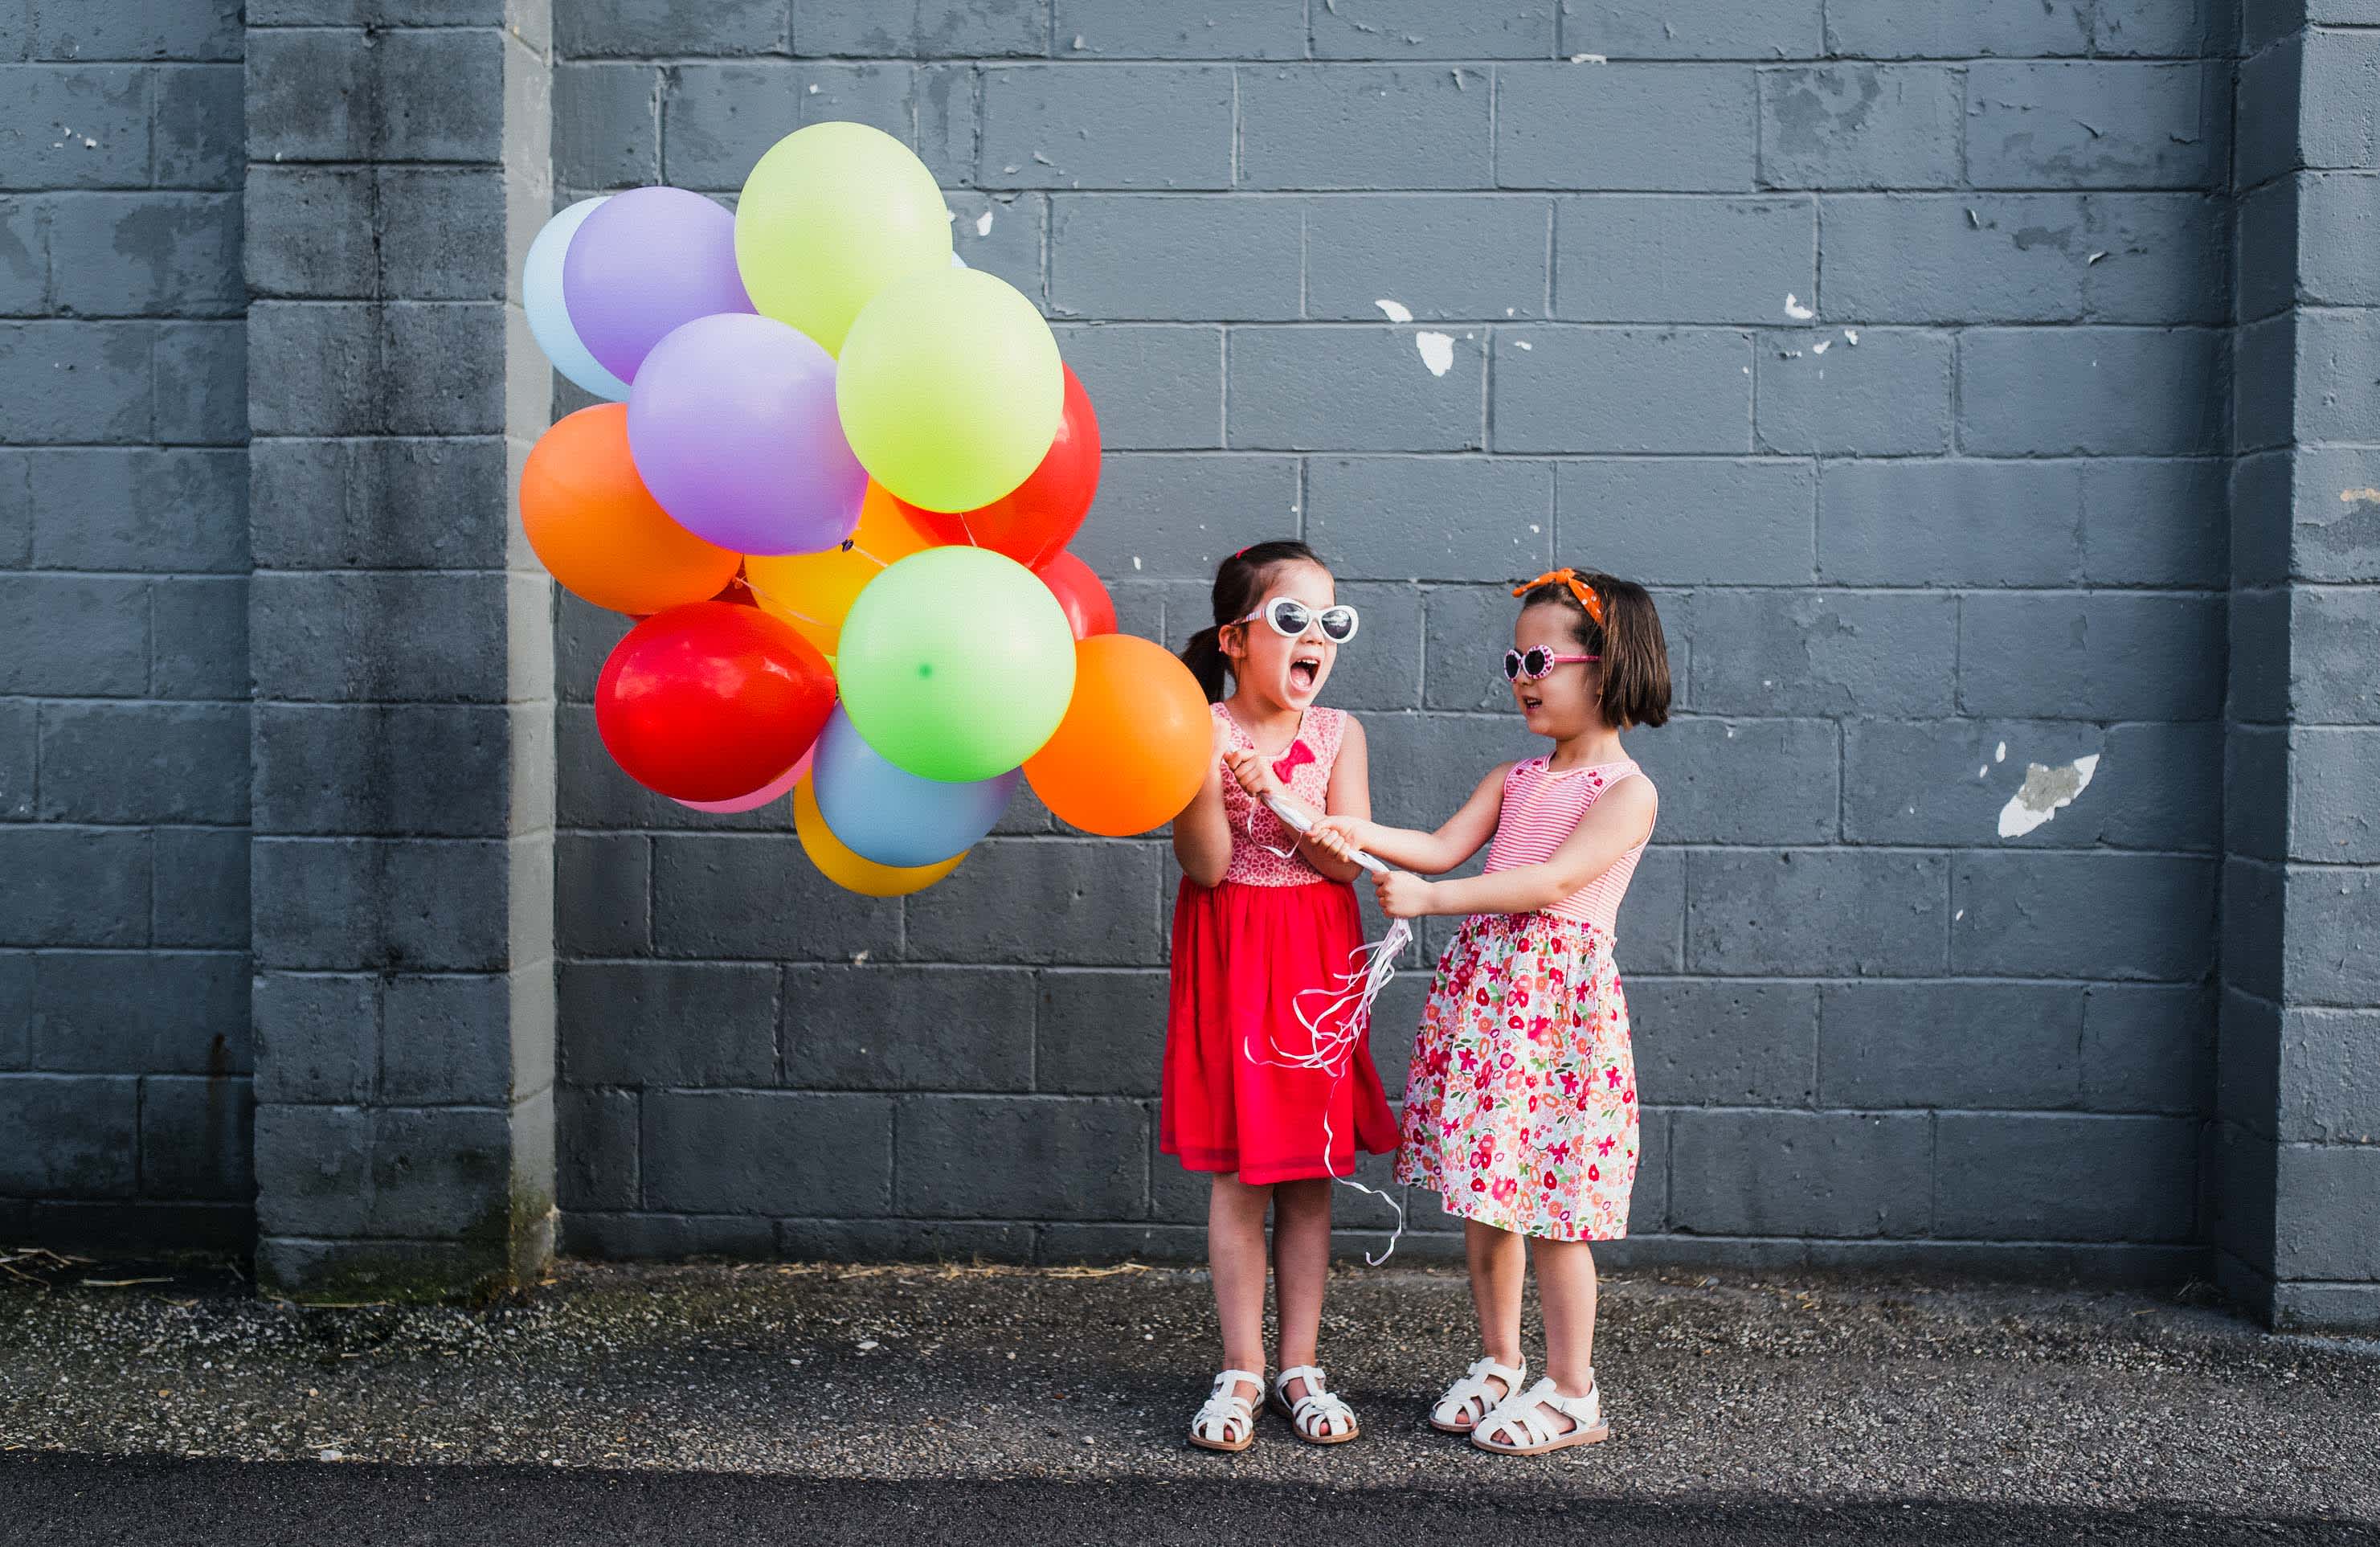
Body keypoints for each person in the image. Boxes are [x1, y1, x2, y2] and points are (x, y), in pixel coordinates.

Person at [1309, 567, 1670, 1455]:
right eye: (1514, 658)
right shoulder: (1512, 776)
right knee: (1487, 1197)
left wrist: (1435, 899)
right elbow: (1433, 844)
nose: (1521, 674)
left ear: (1606, 662)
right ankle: (1503, 1358)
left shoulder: (1626, 793)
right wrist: (1347, 829)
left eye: (1539, 656)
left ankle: (1574, 1387)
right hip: (1487, 1012)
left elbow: (1550, 881)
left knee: (1553, 1209)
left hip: (1554, 1019)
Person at [1165, 539, 1398, 1451]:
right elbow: (1209, 865)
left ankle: (1299, 1363)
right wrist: (1205, 780)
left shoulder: (1340, 733)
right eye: (1291, 618)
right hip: (1232, 951)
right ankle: (1242, 1366)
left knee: (1307, 1169)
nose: (1316, 637)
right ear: (1234, 637)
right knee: (1237, 1172)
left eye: (1330, 622)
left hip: (1315, 953)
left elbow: (1343, 859)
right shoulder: (1196, 730)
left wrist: (1284, 796)